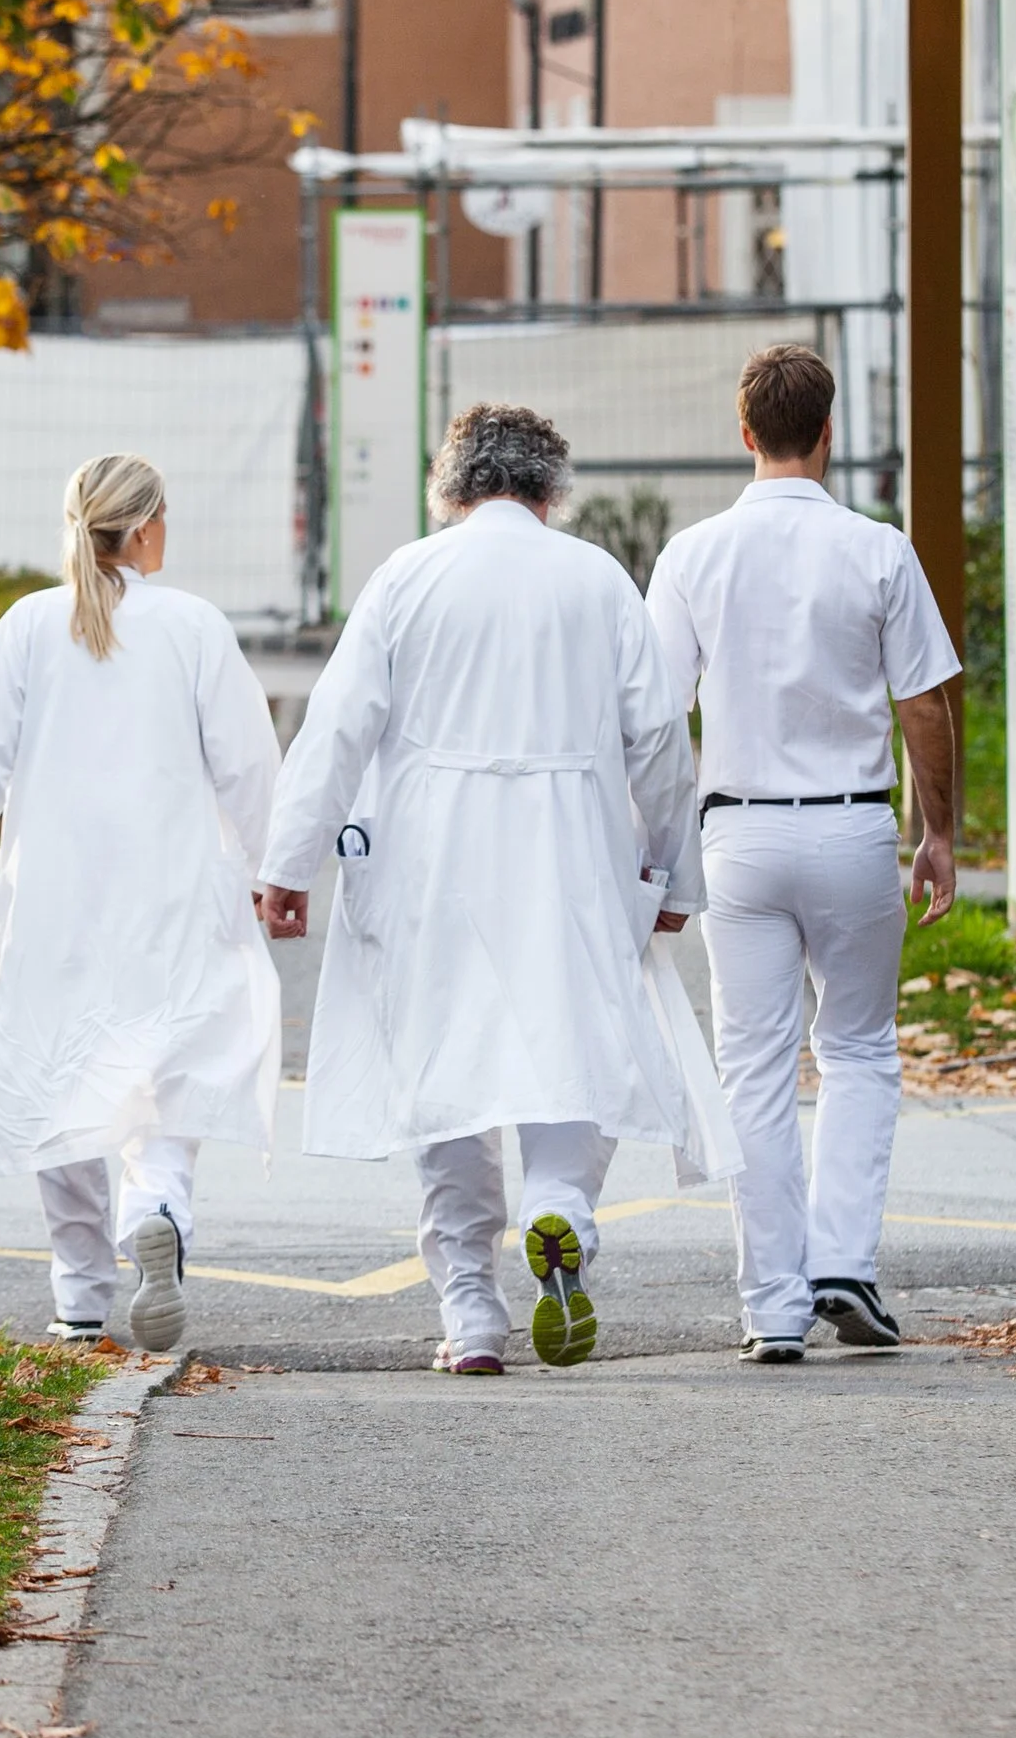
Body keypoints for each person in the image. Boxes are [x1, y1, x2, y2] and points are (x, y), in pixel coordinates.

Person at [258, 402, 724, 1377]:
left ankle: (469, 1307)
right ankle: (561, 1211)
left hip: (431, 860)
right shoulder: (596, 581)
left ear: (451, 489)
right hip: (570, 856)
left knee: (447, 1074)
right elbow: (659, 746)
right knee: (571, 1046)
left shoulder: (407, 576)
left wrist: (287, 865)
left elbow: (337, 728)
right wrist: (672, 872)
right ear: (551, 494)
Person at [0, 451, 281, 1353]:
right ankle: (158, 1209)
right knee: (173, 1064)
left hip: (53, 897)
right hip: (174, 893)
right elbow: (248, 765)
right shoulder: (193, 626)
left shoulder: (28, 625)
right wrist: (272, 870)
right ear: (142, 529)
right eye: (166, 516)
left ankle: (79, 1297)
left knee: (55, 1077)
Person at [646, 341, 959, 1365]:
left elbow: (655, 720)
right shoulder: (879, 551)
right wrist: (938, 832)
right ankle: (842, 1267)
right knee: (861, 1051)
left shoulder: (691, 557)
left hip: (736, 833)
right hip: (853, 827)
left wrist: (657, 854)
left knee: (753, 1067)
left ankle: (772, 1304)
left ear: (744, 436)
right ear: (829, 435)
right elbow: (922, 702)